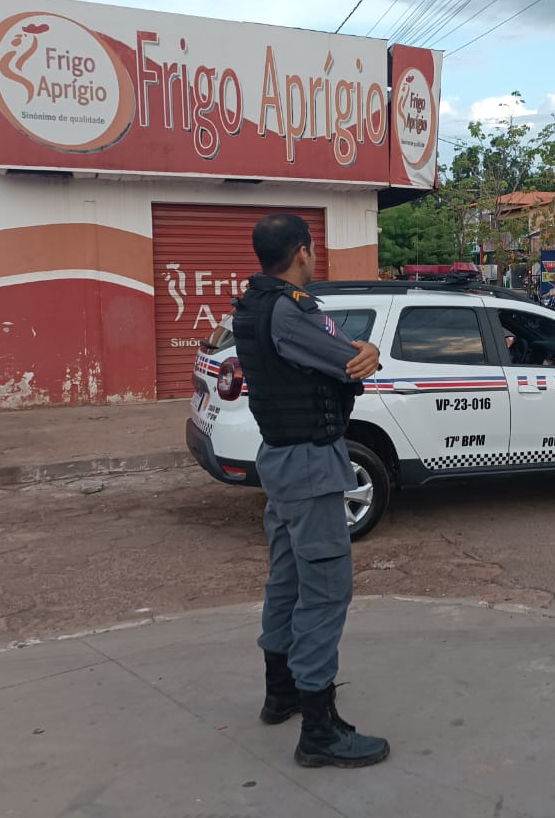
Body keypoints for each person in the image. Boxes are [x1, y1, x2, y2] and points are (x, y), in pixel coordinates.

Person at [232, 213, 390, 769]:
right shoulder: (291, 310)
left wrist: (359, 353)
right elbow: (350, 362)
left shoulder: (252, 304)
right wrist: (364, 352)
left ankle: (282, 694)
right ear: (301, 251)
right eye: (313, 249)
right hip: (309, 463)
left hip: (279, 459)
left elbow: (345, 358)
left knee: (289, 579)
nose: (315, 256)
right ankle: (320, 731)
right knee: (325, 590)